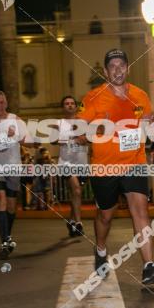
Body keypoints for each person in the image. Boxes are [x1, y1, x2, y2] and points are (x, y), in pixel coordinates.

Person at [77, 48, 154, 285]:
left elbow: (151, 129)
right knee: (105, 215)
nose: (117, 69)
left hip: (134, 163)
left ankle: (149, 266)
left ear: (128, 68)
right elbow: (79, 133)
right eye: (112, 66)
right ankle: (101, 250)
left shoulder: (140, 96)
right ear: (106, 71)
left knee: (141, 211)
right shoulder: (93, 98)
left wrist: (151, 126)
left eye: (121, 65)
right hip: (104, 167)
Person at [0, 90, 27, 259]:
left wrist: (13, 135)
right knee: (0, 199)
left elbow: (27, 140)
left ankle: (7, 237)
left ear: (6, 103)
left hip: (13, 166)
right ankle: (4, 243)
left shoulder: (15, 120)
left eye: (2, 102)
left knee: (10, 205)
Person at [57, 95, 88, 237]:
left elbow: (91, 138)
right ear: (63, 107)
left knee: (76, 194)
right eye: (66, 103)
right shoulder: (59, 123)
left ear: (75, 106)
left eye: (71, 103)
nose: (69, 105)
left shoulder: (84, 122)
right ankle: (79, 223)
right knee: (76, 191)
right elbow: (53, 139)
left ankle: (71, 221)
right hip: (66, 162)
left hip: (81, 161)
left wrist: (85, 139)